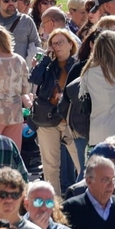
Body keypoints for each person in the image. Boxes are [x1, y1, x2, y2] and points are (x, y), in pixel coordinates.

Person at [30, 29, 83, 189]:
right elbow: (34, 79)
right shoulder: (47, 65)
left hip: (70, 120)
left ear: (70, 44)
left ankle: (82, 199)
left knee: (81, 164)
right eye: (53, 43)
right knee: (50, 167)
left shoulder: (78, 66)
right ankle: (53, 207)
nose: (57, 46)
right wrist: (45, 59)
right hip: (47, 119)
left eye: (61, 42)